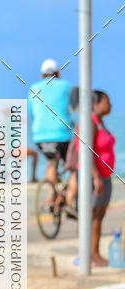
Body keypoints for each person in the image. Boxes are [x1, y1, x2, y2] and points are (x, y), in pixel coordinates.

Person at [75, 90, 116, 267]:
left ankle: (94, 253)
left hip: (105, 176)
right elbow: (85, 151)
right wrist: (96, 177)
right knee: (91, 215)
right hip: (94, 177)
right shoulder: (89, 122)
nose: (110, 105)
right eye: (107, 101)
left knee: (99, 215)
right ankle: (90, 255)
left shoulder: (100, 123)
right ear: (96, 104)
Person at [28, 59, 73, 193]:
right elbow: (75, 106)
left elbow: (32, 113)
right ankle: (69, 199)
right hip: (62, 134)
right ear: (58, 73)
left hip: (40, 136)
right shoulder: (66, 86)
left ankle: (51, 196)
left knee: (51, 161)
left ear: (42, 75)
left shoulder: (34, 88)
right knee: (72, 165)